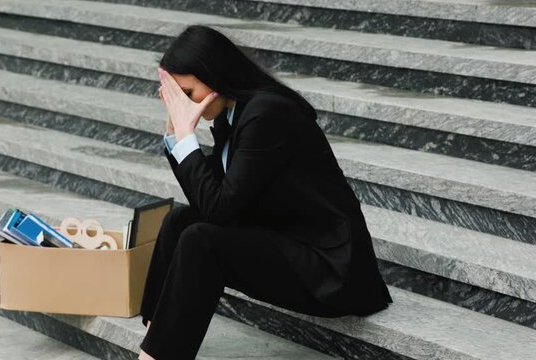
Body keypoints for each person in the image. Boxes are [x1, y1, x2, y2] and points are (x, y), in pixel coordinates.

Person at [138, 25, 393, 360]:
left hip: (328, 269)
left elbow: (219, 209)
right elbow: (208, 198)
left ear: (213, 73)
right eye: (177, 98)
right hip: (285, 242)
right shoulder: (234, 114)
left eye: (188, 93)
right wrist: (176, 134)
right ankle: (155, 337)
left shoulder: (268, 113)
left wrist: (186, 139)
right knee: (180, 221)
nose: (185, 105)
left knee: (201, 240)